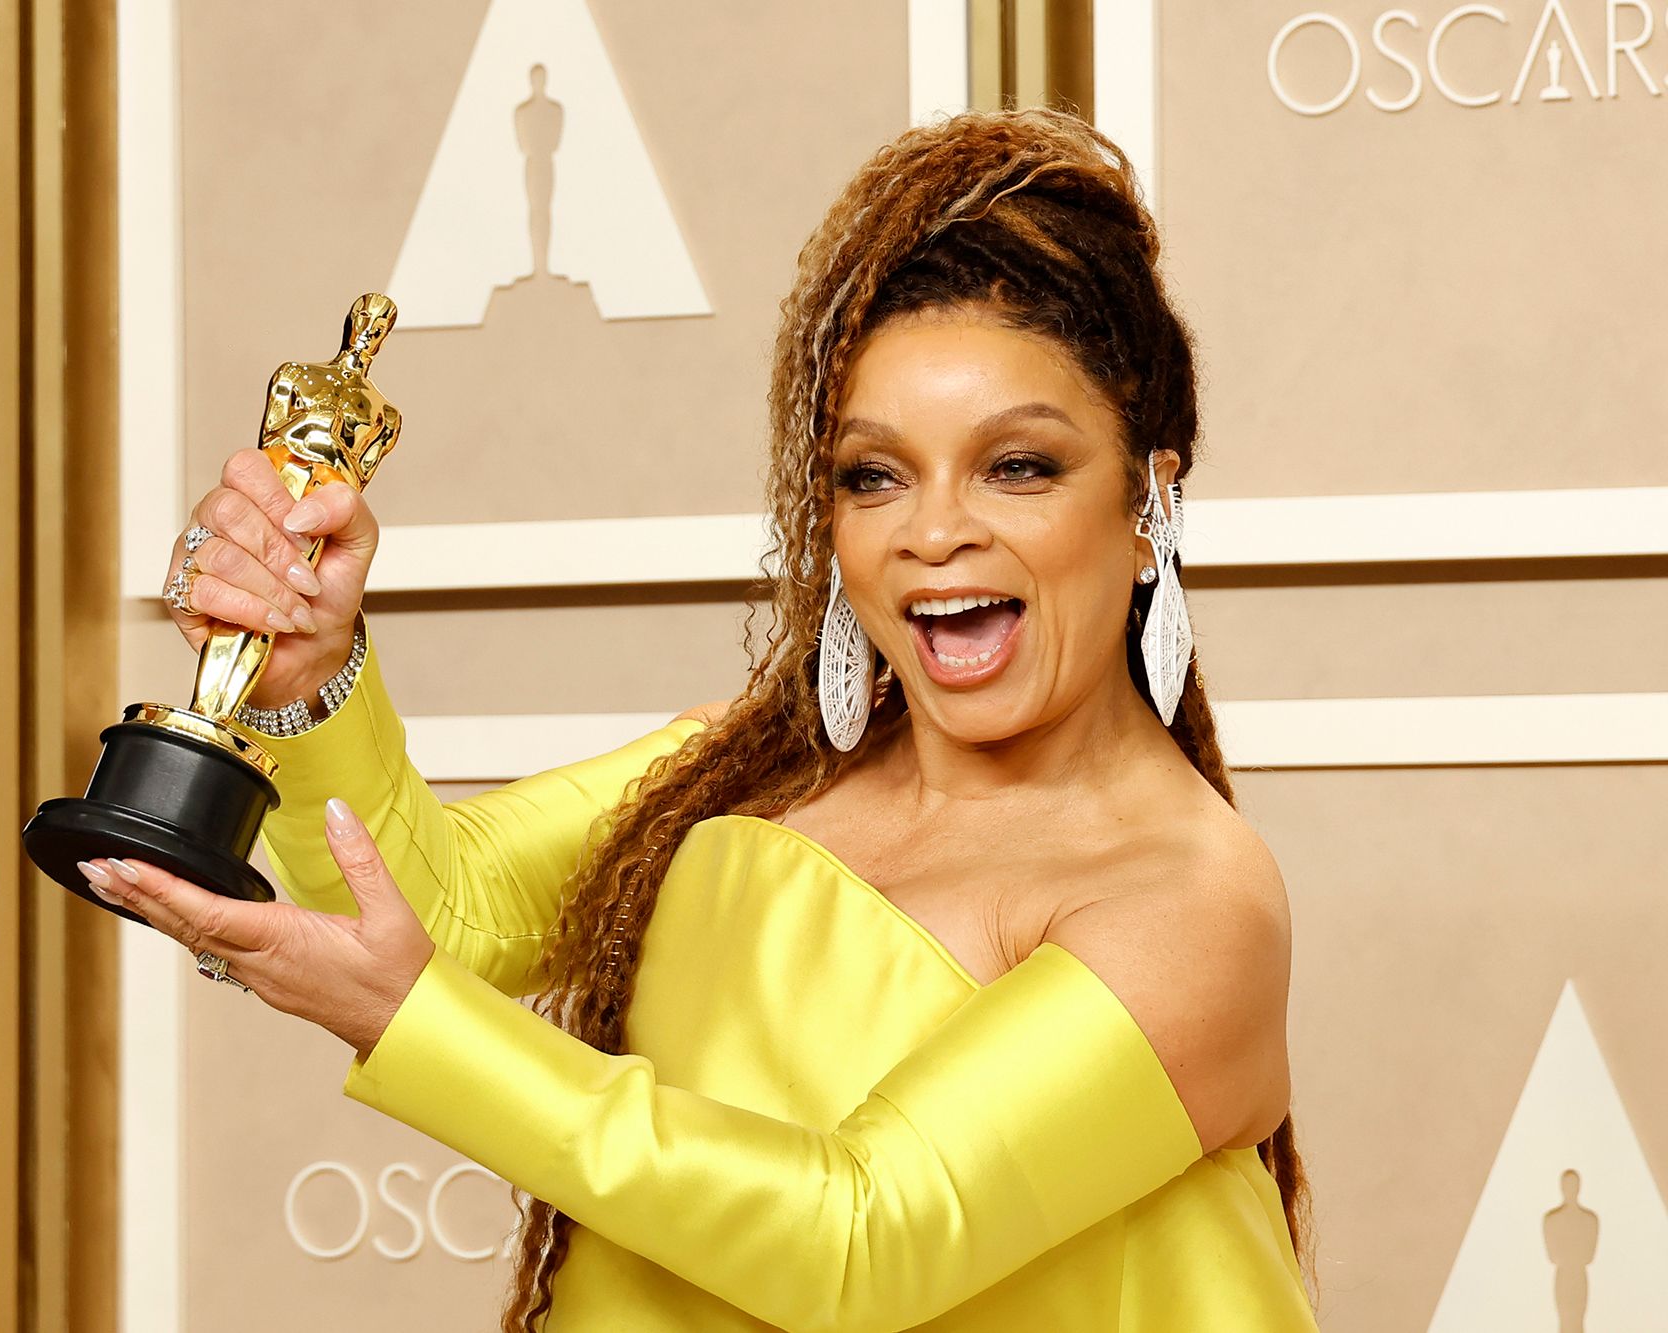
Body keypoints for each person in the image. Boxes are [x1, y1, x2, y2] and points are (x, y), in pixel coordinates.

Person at [81, 108, 1320, 1330]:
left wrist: (408, 1025)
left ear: (1147, 501)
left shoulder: (1188, 901)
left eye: (1017, 467)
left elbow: (858, 1238)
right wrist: (307, 672)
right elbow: (439, 911)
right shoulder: (742, 769)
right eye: (873, 476)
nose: (934, 530)